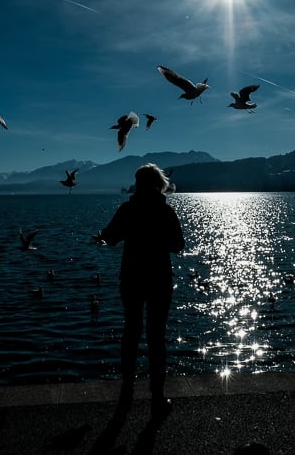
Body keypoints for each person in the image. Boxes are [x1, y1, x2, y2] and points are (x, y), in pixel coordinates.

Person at [96, 163, 185, 420]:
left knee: (131, 332)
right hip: (159, 278)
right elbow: (178, 245)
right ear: (159, 184)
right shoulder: (166, 212)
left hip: (132, 277)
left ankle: (127, 388)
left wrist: (111, 234)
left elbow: (110, 238)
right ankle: (157, 395)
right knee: (156, 336)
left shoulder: (127, 209)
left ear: (138, 184)